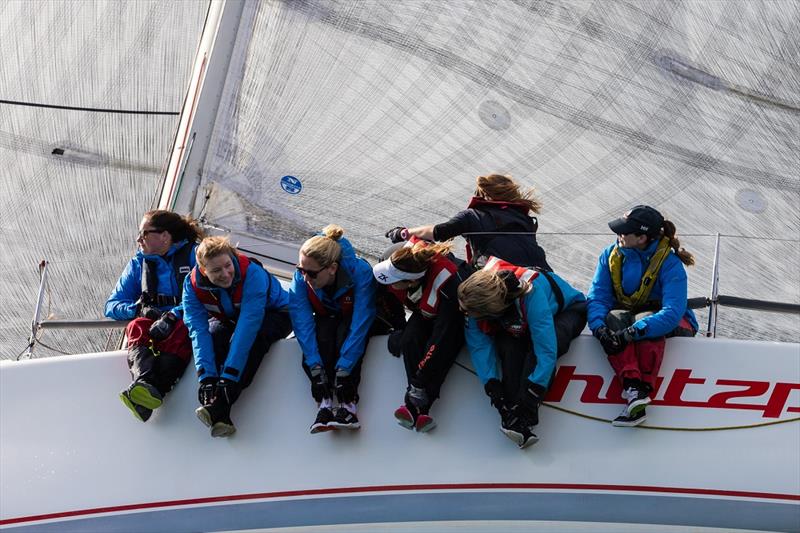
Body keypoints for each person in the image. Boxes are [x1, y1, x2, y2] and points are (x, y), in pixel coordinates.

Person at [458, 258, 586, 448]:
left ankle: (526, 414)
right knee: (509, 348)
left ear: (489, 309)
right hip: (521, 318)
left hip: (568, 310)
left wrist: (533, 392)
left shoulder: (531, 293)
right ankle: (512, 416)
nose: (464, 313)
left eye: (469, 312)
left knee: (544, 348)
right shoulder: (473, 300)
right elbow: (479, 346)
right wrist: (492, 386)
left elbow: (546, 351)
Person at [588, 205, 697, 427]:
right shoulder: (609, 255)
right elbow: (598, 298)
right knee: (613, 318)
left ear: (641, 238)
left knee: (645, 321)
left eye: (625, 231)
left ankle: (644, 388)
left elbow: (672, 314)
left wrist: (631, 333)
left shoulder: (670, 263)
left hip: (673, 321)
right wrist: (598, 328)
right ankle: (633, 389)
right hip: (631, 317)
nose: (619, 235)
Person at [183, 236, 292, 437]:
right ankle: (220, 412)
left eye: (227, 265)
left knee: (256, 339)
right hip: (231, 317)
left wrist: (229, 378)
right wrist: (206, 377)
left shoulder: (253, 274)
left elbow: (247, 329)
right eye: (216, 270)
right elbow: (198, 331)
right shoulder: (191, 286)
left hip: (278, 313)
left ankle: (222, 404)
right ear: (204, 271)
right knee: (215, 339)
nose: (225, 274)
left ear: (233, 257)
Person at [105, 210, 204, 422]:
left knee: (181, 331)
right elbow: (111, 305)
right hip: (153, 327)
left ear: (165, 236)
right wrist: (136, 309)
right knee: (136, 326)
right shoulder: (138, 264)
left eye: (144, 233)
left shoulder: (195, 255)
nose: (138, 239)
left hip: (184, 323)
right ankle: (145, 384)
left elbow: (206, 295)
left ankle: (149, 393)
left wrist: (172, 316)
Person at [372, 238, 473, 432]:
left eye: (393, 281)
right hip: (426, 310)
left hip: (453, 314)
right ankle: (414, 404)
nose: (388, 284)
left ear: (411, 281)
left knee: (438, 353)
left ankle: (419, 402)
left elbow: (440, 340)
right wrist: (398, 329)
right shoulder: (400, 257)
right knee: (409, 339)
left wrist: (420, 379)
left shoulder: (447, 284)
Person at [289, 225, 377, 434]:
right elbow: (301, 321)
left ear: (332, 268)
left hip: (354, 318)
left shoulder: (360, 272)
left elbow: (361, 322)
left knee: (344, 337)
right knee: (322, 338)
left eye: (310, 274)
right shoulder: (302, 275)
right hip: (327, 317)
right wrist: (314, 367)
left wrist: (345, 367)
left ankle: (348, 406)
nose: (305, 279)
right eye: (300, 270)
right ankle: (325, 404)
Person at [392, 174, 550, 270]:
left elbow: (438, 232)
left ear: (483, 194)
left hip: (503, 278)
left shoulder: (473, 216)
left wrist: (403, 232)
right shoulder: (525, 219)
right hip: (543, 274)